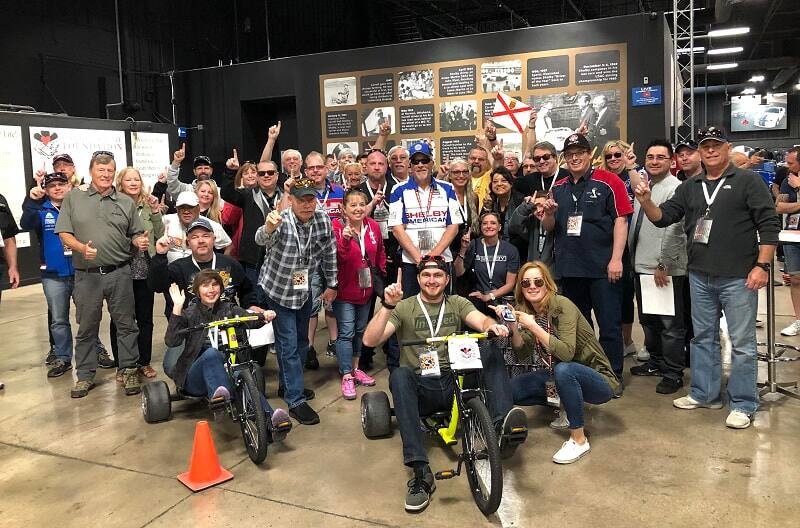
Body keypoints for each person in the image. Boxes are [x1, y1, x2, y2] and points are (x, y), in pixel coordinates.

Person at [633, 126, 780, 429]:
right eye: (705, 146)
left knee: (741, 342)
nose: (710, 150)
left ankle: (742, 403)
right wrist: (646, 200)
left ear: (728, 147)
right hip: (699, 275)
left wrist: (761, 266)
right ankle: (704, 393)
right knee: (703, 339)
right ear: (700, 151)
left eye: (716, 145)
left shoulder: (748, 182)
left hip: (739, 277)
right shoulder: (690, 186)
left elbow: (768, 225)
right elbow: (664, 218)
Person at [362, 257, 528, 512]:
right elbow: (370, 341)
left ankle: (500, 425)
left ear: (447, 279)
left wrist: (494, 326)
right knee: (399, 376)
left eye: (438, 275)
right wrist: (386, 306)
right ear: (418, 279)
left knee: (490, 348)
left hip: (455, 382)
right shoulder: (404, 307)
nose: (432, 280)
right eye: (426, 276)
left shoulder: (457, 302)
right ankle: (420, 472)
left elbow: (480, 321)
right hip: (421, 385)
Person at [497, 261, 616, 463]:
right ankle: (565, 408)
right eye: (526, 283)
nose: (532, 286)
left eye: (538, 281)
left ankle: (579, 439)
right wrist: (514, 328)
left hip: (597, 378)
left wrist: (533, 327)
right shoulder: (528, 311)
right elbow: (521, 353)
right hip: (558, 375)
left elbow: (567, 352)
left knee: (564, 370)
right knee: (509, 389)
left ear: (547, 284)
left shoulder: (563, 305)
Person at [540, 133, 633, 393]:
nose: (575, 157)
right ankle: (587, 373)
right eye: (570, 154)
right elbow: (549, 227)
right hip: (570, 270)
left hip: (604, 269)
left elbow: (621, 220)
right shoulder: (558, 187)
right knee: (579, 328)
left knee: (609, 326)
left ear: (590, 154)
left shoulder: (610, 181)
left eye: (580, 152)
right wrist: (548, 213)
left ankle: (612, 376)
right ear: (564, 158)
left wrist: (616, 259)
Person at [55, 152, 149, 398]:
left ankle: (128, 369)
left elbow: (135, 233)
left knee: (127, 325)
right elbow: (63, 232)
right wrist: (81, 248)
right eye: (101, 171)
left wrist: (140, 241)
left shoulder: (126, 202)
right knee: (87, 327)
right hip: (87, 276)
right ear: (91, 170)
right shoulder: (74, 197)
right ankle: (85, 375)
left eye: (110, 171)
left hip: (120, 273)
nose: (105, 175)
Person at [164, 270, 292, 439]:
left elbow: (249, 319)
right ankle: (218, 397)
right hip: (195, 377)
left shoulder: (229, 309)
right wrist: (177, 307)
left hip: (227, 368)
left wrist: (264, 316)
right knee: (211, 353)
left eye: (215, 284)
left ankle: (272, 421)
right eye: (205, 285)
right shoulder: (190, 313)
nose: (211, 290)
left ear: (221, 288)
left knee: (242, 374)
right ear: (196, 290)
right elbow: (172, 341)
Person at [256, 177, 337, 425]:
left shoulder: (322, 220)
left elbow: (330, 252)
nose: (307, 204)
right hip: (278, 289)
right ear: (290, 200)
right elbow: (260, 239)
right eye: (301, 199)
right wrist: (268, 228)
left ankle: (289, 385)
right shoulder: (281, 220)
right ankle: (295, 400)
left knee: (302, 341)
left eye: (311, 198)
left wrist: (332, 284)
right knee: (288, 343)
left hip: (303, 290)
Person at [628, 140, 688, 394]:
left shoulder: (676, 188)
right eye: (650, 156)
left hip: (662, 268)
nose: (654, 161)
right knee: (649, 320)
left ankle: (673, 372)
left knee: (670, 325)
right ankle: (655, 362)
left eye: (660, 157)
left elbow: (675, 230)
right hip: (642, 264)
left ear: (671, 161)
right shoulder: (646, 186)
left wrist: (664, 263)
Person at [388, 141, 462, 297]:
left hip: (442, 260)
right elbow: (396, 228)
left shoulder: (447, 188)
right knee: (412, 310)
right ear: (410, 165)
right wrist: (419, 259)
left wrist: (432, 257)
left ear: (432, 163)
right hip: (411, 262)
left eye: (425, 160)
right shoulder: (398, 190)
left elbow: (453, 226)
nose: (420, 165)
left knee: (446, 306)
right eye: (416, 161)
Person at [332, 189, 385, 399]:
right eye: (352, 204)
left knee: (361, 330)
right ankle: (346, 374)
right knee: (346, 332)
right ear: (344, 209)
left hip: (367, 289)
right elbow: (338, 259)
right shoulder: (337, 227)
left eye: (361, 204)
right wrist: (344, 241)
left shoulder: (372, 226)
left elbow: (379, 252)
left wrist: (380, 272)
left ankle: (355, 368)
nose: (358, 208)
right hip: (344, 290)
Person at [112, 167, 164, 378]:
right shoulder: (114, 205)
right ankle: (122, 364)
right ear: (120, 183)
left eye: (137, 179)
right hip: (122, 268)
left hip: (144, 270)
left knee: (145, 318)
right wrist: (132, 243)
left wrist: (155, 212)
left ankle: (144, 361)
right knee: (121, 319)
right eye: (128, 180)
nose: (133, 183)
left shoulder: (147, 205)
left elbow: (160, 234)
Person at [21, 173, 75, 377]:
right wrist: (32, 200)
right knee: (59, 320)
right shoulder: (40, 209)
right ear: (46, 189)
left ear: (69, 185)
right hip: (53, 275)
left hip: (81, 271)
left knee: (88, 317)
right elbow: (26, 224)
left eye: (62, 184)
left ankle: (96, 351)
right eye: (52, 186)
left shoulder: (77, 207)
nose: (58, 188)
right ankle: (63, 357)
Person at [220, 153, 285, 308]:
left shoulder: (287, 195)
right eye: (261, 173)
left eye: (270, 172)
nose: (266, 176)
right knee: (256, 300)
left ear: (277, 175)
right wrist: (230, 171)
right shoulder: (248, 195)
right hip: (254, 259)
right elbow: (227, 193)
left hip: (281, 258)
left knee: (279, 302)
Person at [600, 140, 642, 360]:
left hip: (634, 241)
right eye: (609, 156)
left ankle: (627, 342)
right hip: (610, 243)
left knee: (627, 295)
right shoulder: (601, 178)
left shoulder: (632, 175)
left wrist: (631, 167)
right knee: (612, 296)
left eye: (618, 154)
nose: (614, 159)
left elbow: (641, 193)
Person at [303, 151, 345, 368]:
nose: (316, 171)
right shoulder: (301, 192)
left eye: (319, 167)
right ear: (306, 171)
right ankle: (309, 347)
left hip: (334, 256)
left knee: (332, 301)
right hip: (309, 258)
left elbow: (348, 218)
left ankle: (334, 342)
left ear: (327, 169)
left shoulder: (339, 191)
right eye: (311, 168)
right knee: (310, 302)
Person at [454, 211, 519, 316]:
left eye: (493, 223)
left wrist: (489, 296)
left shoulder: (510, 250)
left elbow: (510, 284)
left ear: (500, 227)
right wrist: (463, 249)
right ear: (481, 227)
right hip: (478, 298)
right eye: (485, 223)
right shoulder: (474, 245)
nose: (488, 226)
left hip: (501, 299)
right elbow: (458, 273)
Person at [162, 191, 231, 264]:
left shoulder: (212, 226)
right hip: (170, 270)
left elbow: (228, 246)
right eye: (182, 207)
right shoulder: (166, 220)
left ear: (198, 208)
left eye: (190, 207)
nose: (186, 211)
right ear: (177, 209)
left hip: (199, 272)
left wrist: (221, 266)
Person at [776, 147, 800, 335]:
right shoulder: (787, 181)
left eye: (791, 162)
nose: (788, 166)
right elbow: (780, 207)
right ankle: (799, 320)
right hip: (793, 236)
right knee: (795, 279)